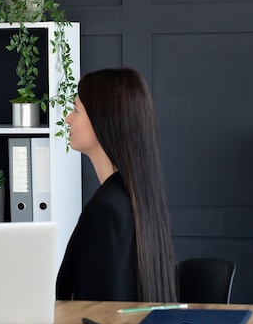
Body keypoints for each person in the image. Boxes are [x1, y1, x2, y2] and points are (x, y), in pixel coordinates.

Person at [56, 67, 178, 302]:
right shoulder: (139, 196)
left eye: (75, 110)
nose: (68, 118)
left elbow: (94, 308)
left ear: (103, 120)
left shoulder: (106, 210)